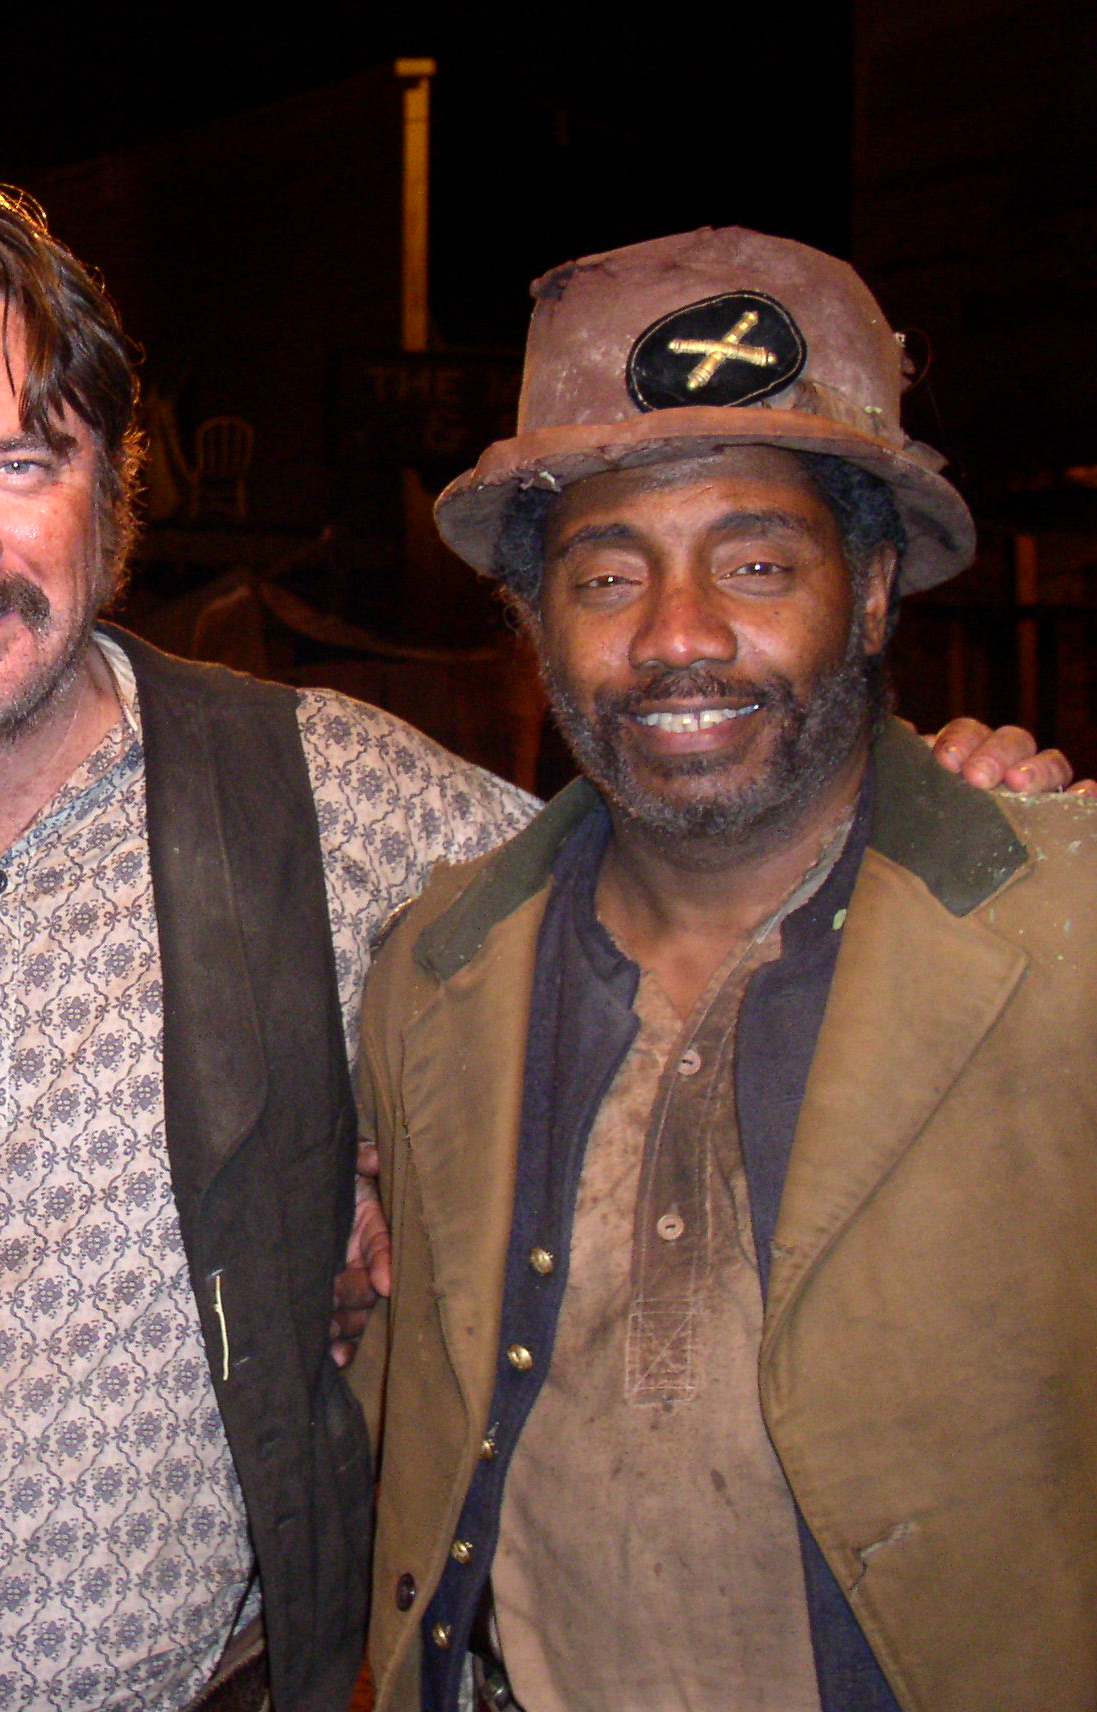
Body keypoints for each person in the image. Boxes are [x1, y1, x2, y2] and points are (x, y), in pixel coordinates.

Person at [0, 181, 1055, 1712]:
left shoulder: (336, 796)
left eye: (20, 459)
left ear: (110, 485)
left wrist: (920, 814)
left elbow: (682, 853)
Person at [350, 227, 1097, 1712]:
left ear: (874, 588)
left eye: (756, 564)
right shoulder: (434, 975)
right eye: (610, 574)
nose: (680, 638)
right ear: (535, 620)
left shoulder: (1062, 953)